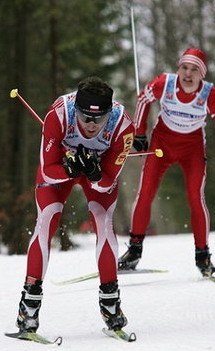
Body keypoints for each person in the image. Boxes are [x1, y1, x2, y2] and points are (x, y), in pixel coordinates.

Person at [118, 48, 215, 277]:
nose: (188, 74)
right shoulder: (164, 84)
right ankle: (134, 251)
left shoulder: (211, 96)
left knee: (196, 198)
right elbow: (142, 99)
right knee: (145, 192)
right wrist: (139, 134)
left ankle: (202, 254)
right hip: (161, 145)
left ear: (202, 75)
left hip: (192, 148)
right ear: (178, 69)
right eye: (184, 68)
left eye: (194, 70)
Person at [15, 76, 135, 334]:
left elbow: (107, 182)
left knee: (103, 221)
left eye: (99, 119)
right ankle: (29, 306)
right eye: (85, 118)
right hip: (60, 167)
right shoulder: (58, 114)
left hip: (98, 171)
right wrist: (71, 168)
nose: (92, 126)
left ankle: (111, 303)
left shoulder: (122, 126)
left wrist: (93, 174)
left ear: (109, 113)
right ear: (76, 110)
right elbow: (48, 171)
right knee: (47, 218)